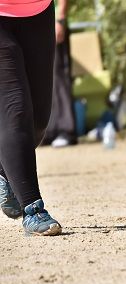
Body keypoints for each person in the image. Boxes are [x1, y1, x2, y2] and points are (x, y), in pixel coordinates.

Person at [0, 0, 62, 236]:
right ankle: (33, 209)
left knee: (38, 120)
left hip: (38, 10)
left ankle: (5, 170)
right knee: (15, 108)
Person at [43, 0, 77, 148]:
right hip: (35, 23)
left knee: (58, 77)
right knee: (41, 80)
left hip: (54, 21)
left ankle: (66, 129)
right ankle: (48, 131)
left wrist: (60, 19)